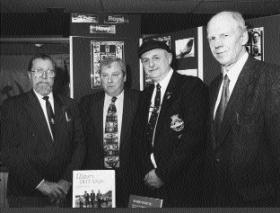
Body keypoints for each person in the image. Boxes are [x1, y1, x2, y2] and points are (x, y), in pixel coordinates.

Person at [204, 11, 280, 207]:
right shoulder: (213, 87)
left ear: (244, 36)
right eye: (212, 38)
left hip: (260, 201)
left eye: (225, 35)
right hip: (219, 198)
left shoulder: (271, 78)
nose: (217, 44)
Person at [131, 40, 209, 207]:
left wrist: (163, 174)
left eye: (156, 58)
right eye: (145, 60)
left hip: (182, 183)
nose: (150, 64)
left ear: (170, 58)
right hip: (150, 182)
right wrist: (149, 172)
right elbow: (138, 138)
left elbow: (194, 137)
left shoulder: (191, 86)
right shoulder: (145, 94)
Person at [1, 54, 85, 207]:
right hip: (27, 195)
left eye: (49, 72)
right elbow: (8, 151)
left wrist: (66, 181)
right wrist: (42, 184)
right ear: (29, 75)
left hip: (63, 193)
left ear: (55, 76)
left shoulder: (70, 105)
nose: (44, 76)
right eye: (38, 71)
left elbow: (80, 145)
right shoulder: (12, 107)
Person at [79, 57, 139, 207]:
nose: (109, 80)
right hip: (97, 178)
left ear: (125, 77)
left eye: (115, 75)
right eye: (105, 75)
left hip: (131, 178)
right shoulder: (86, 103)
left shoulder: (140, 100)